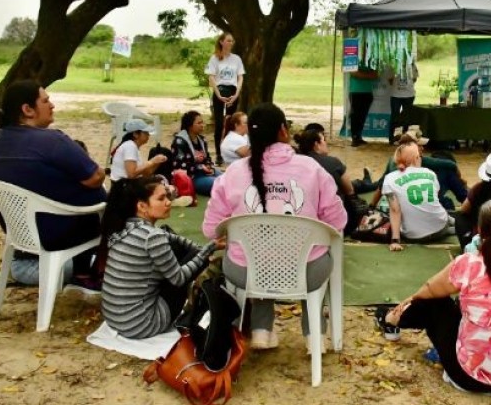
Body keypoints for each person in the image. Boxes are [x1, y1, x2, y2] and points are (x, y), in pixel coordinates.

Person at [203, 103, 347, 351]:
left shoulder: (232, 173)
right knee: (312, 257)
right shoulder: (312, 168)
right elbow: (338, 221)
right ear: (283, 130)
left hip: (244, 272)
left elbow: (210, 229)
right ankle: (315, 337)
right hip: (306, 271)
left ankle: (261, 330)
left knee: (261, 255)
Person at [378, 199, 491, 393]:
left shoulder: (469, 264)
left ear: (479, 229)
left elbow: (429, 289)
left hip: (475, 377)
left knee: (435, 304)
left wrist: (409, 300)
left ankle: (389, 318)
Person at [0, 80, 106, 288]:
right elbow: (96, 177)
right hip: (61, 233)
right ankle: (92, 265)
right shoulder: (51, 141)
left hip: (21, 235)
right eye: (46, 100)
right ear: (28, 109)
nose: (52, 105)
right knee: (118, 201)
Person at [100, 177, 223, 339]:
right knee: (192, 260)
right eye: (161, 198)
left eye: (167, 196)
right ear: (142, 206)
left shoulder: (124, 226)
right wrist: (208, 250)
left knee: (174, 241)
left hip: (116, 319)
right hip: (142, 324)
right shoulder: (152, 237)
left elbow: (171, 237)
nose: (168, 202)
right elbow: (179, 279)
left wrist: (202, 249)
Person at [369, 129, 467, 211]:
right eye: (419, 145)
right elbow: (450, 164)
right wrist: (459, 176)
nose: (422, 148)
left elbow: (380, 186)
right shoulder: (421, 160)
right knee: (447, 177)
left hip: (397, 208)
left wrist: (371, 206)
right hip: (416, 208)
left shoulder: (392, 160)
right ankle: (467, 201)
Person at [382, 142, 454, 251]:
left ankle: (451, 223)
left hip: (411, 236)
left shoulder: (389, 178)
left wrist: (395, 240)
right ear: (416, 158)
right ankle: (454, 225)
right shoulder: (430, 173)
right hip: (439, 229)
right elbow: (434, 199)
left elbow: (395, 210)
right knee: (449, 217)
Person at [294, 127, 365, 235]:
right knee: (355, 190)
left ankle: (368, 182)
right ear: (316, 144)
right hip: (331, 225)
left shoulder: (294, 163)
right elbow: (349, 190)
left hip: (300, 221)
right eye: (324, 140)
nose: (326, 143)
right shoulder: (332, 162)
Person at [206, 32, 245, 165]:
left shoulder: (236, 59)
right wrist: (218, 95)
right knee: (219, 124)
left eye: (232, 41)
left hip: (233, 91)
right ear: (222, 42)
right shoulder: (215, 58)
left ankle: (231, 150)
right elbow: (211, 77)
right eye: (228, 40)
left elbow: (240, 77)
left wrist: (236, 94)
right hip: (220, 90)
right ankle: (218, 154)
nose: (231, 43)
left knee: (230, 123)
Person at [171, 110, 220, 197]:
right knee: (219, 183)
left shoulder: (202, 139)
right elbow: (179, 165)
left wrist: (208, 165)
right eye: (199, 123)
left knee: (227, 178)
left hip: (204, 173)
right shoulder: (179, 141)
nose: (202, 125)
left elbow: (207, 157)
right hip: (191, 177)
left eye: (202, 122)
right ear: (190, 126)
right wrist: (200, 167)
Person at [386, 63, 418, 143]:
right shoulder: (393, 64)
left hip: (409, 95)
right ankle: (391, 138)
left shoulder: (412, 65)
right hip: (396, 95)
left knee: (406, 117)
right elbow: (390, 80)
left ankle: (404, 138)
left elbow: (414, 78)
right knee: (395, 116)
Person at [348, 65, 378, 147]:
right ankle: (354, 137)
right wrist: (368, 74)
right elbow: (354, 73)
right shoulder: (354, 58)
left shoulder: (371, 61)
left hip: (368, 92)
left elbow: (375, 75)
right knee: (355, 115)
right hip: (355, 92)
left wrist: (361, 74)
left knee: (362, 116)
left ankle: (359, 136)